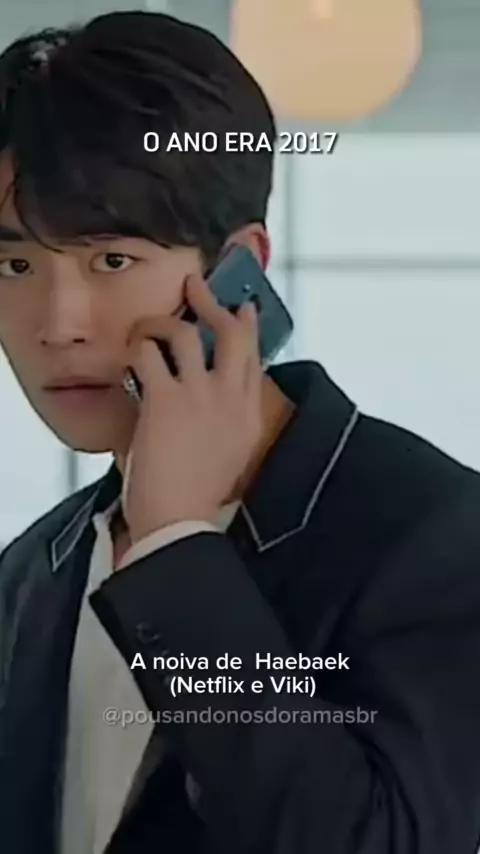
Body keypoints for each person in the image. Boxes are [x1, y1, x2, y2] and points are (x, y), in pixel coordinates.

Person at [0, 10, 479, 854]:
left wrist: (176, 547)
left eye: (112, 261)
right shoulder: (30, 570)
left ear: (239, 269)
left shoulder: (438, 535)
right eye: (14, 265)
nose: (57, 325)